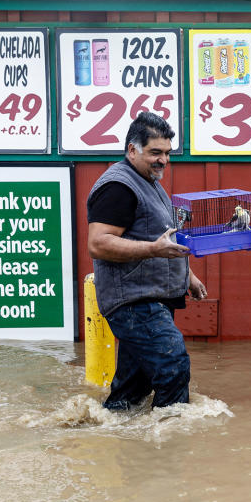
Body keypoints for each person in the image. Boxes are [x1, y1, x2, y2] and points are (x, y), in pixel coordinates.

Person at [86, 112, 207, 410]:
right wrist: (153, 249)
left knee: (133, 390)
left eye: (166, 153)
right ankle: (170, 442)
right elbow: (98, 243)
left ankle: (111, 433)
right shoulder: (118, 186)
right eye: (155, 152)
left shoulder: (149, 181)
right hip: (133, 301)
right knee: (173, 364)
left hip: (151, 297)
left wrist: (187, 275)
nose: (163, 160)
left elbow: (160, 236)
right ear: (132, 150)